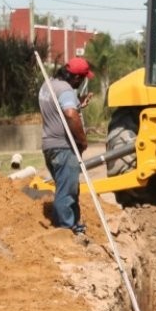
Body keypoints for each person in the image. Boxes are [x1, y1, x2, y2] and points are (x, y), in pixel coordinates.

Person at [39, 56, 93, 234]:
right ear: (76, 77)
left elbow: (59, 109)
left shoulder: (48, 85)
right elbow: (70, 114)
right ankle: (66, 229)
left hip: (49, 146)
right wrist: (82, 140)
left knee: (65, 187)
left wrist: (78, 103)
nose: (82, 82)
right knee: (67, 192)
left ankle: (72, 225)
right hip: (64, 148)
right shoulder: (66, 90)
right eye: (83, 78)